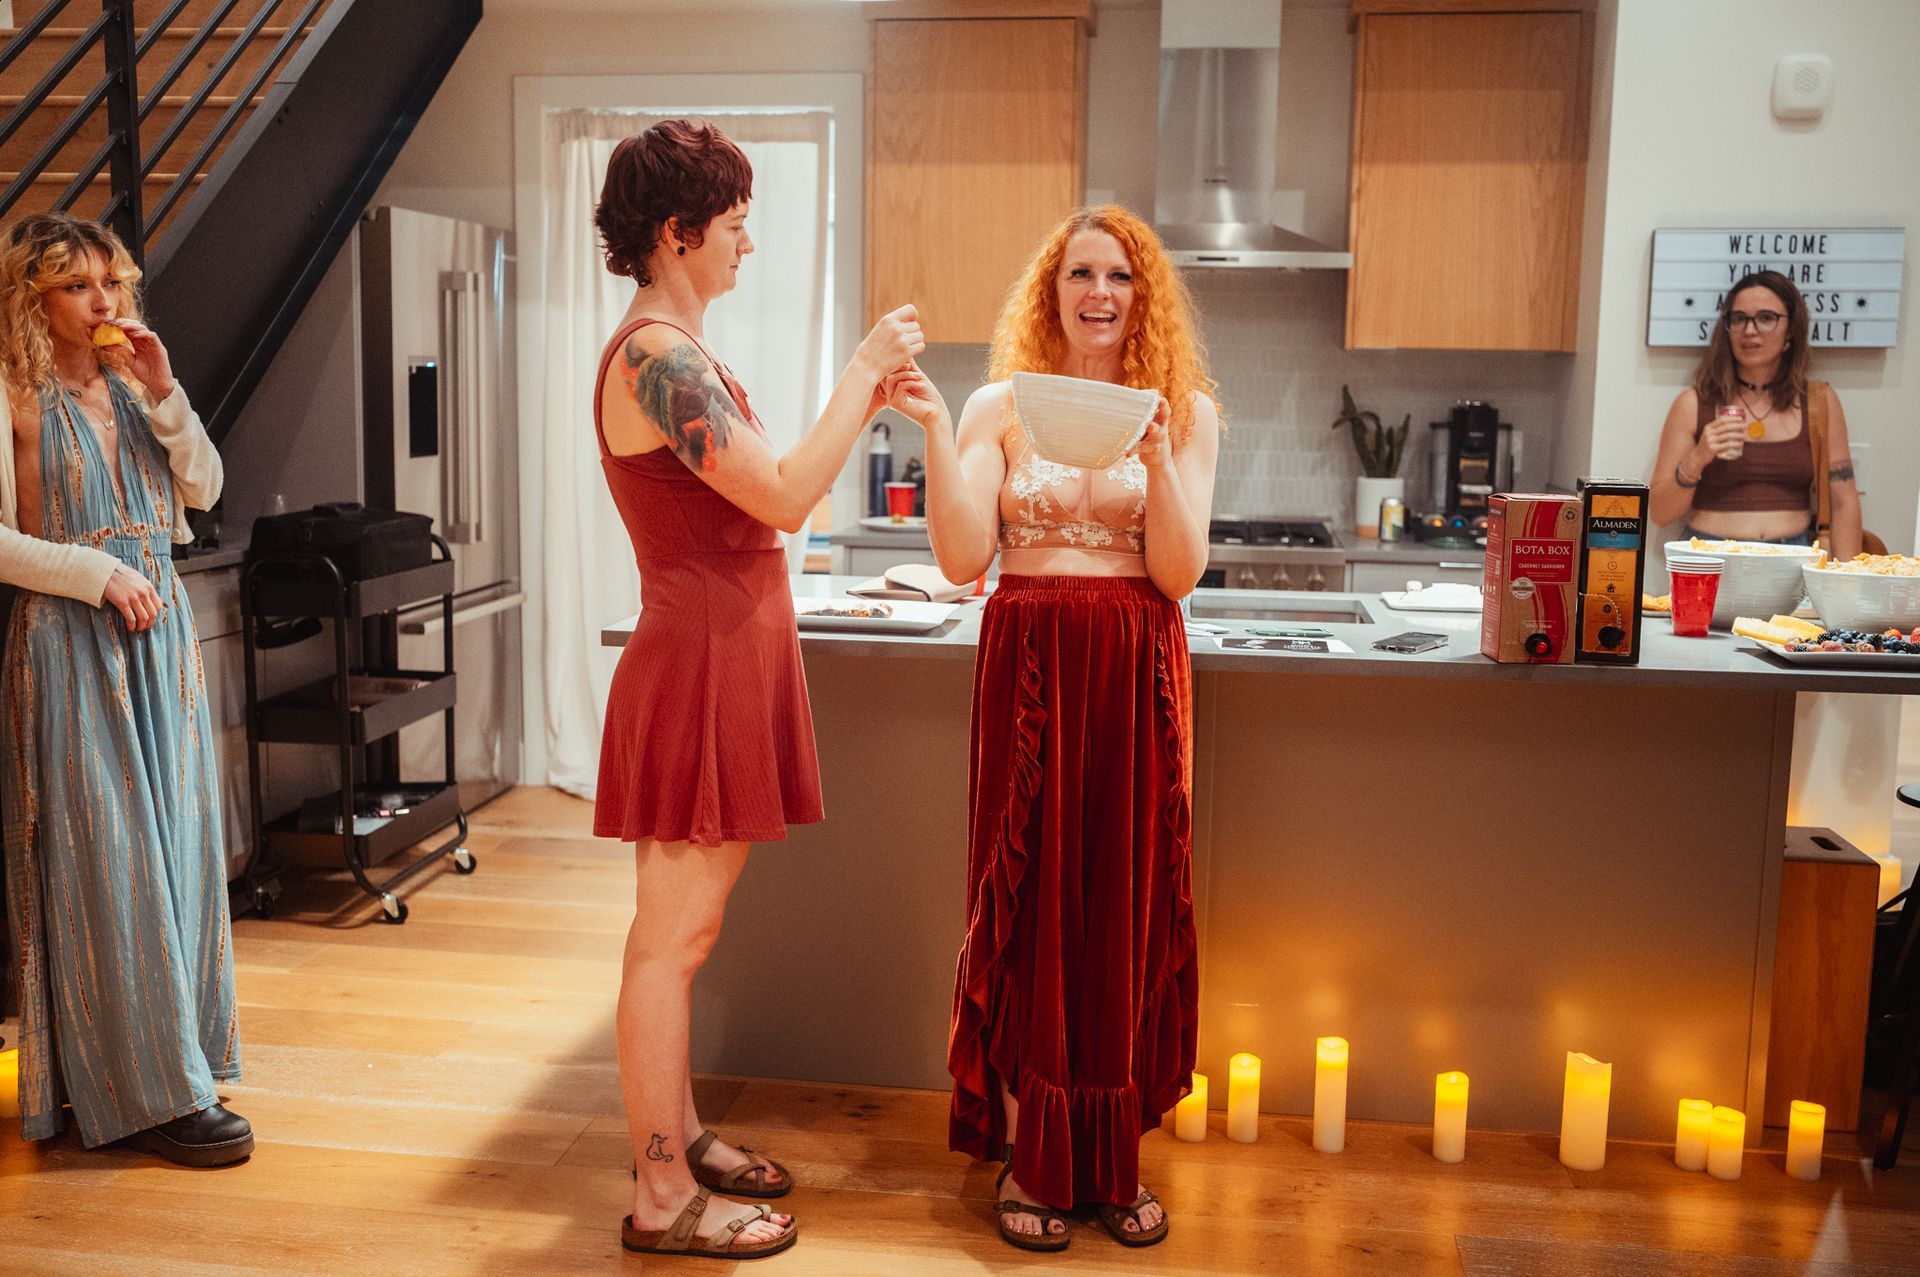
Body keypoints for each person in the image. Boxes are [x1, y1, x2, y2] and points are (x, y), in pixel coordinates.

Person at [590, 119, 923, 1261]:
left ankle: (675, 1134)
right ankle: (658, 1196)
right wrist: (864, 370)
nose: (747, 247)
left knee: (685, 930)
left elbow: (774, 497)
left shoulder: (674, 348)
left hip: (721, 653)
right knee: (669, 941)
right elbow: (785, 496)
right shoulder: (655, 357)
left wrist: (868, 393)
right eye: (734, 226)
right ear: (677, 233)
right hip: (698, 662)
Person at [882, 205, 1220, 1252]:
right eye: (1081, 272)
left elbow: (1177, 570)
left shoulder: (1189, 409)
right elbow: (958, 554)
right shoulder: (998, 405)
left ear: (1141, 294)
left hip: (1133, 662)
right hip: (1028, 655)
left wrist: (1160, 457)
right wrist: (937, 428)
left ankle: (1111, 1159)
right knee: (1028, 900)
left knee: (1119, 900)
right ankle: (1034, 1155)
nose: (1100, 291)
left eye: (1119, 274)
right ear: (1054, 289)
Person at [0, 212, 248, 1165]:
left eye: (112, 282)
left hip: (161, 644)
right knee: (107, 863)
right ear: (34, 296)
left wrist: (166, 388)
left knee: (178, 854)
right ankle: (143, 1093)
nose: (102, 302)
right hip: (68, 642)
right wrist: (94, 574)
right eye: (76, 285)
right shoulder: (13, 396)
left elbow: (205, 488)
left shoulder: (139, 390)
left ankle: (178, 1062)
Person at [1650, 269, 1861, 557]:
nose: (1750, 331)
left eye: (1766, 318)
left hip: (1794, 560)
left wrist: (1848, 584)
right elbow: (1660, 513)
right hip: (1710, 558)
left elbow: (1843, 501)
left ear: (1790, 333)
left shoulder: (1819, 401)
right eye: (1739, 319)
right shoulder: (1693, 403)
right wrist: (1697, 458)